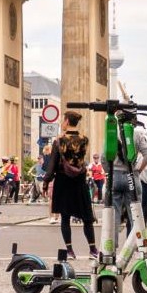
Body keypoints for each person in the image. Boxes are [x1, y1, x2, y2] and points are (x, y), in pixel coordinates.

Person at [46, 110, 96, 259]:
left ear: (67, 121)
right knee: (87, 217)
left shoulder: (59, 141)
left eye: (63, 120)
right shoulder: (84, 140)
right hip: (79, 180)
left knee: (65, 217)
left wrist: (46, 182)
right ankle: (93, 250)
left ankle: (70, 250)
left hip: (63, 180)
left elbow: (53, 164)